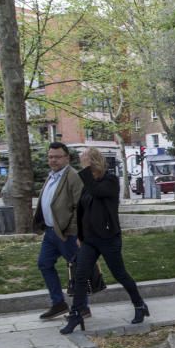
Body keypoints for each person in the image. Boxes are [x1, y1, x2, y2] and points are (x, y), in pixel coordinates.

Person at [60, 148, 148, 334]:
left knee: (120, 273)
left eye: (84, 161)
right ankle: (76, 314)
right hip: (89, 240)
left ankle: (139, 305)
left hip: (108, 237)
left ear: (93, 161)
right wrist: (80, 236)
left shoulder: (110, 181)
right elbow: (82, 210)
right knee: (80, 275)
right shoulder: (87, 183)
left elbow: (98, 192)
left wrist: (85, 171)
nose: (81, 164)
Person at [33, 142, 85, 320]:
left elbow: (81, 206)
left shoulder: (73, 176)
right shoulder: (52, 176)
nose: (53, 160)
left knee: (77, 269)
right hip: (50, 232)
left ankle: (82, 308)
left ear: (67, 158)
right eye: (50, 157)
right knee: (44, 264)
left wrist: (75, 231)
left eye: (57, 156)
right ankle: (58, 303)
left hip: (67, 233)